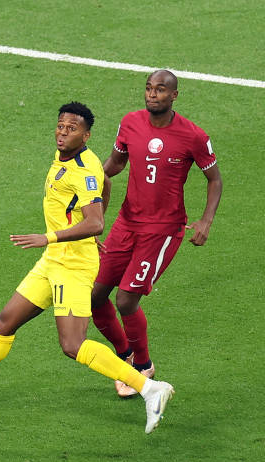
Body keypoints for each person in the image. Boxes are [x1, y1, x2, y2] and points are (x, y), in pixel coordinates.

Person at [0, 103, 175, 434]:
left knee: (73, 345)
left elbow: (95, 222)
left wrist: (50, 236)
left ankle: (150, 389)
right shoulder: (75, 160)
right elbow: (105, 186)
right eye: (60, 126)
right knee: (4, 322)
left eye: (71, 129)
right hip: (54, 260)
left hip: (73, 265)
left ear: (86, 135)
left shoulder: (83, 169)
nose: (63, 133)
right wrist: (75, 230)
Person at [91, 70, 222, 397]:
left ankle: (143, 367)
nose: (153, 94)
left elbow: (215, 180)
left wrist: (206, 220)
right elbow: (116, 164)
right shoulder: (130, 123)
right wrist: (85, 182)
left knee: (126, 299)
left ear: (174, 95)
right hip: (126, 222)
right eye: (149, 88)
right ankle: (125, 355)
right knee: (94, 297)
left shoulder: (193, 136)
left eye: (161, 90)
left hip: (162, 231)